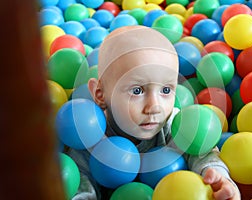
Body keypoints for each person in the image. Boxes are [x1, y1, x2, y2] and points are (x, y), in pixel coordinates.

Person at [67, 25, 240, 200]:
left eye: (165, 90)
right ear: (100, 94)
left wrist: (219, 179)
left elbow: (203, 154)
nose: (154, 107)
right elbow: (80, 185)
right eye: (137, 91)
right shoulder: (88, 138)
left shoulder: (175, 124)